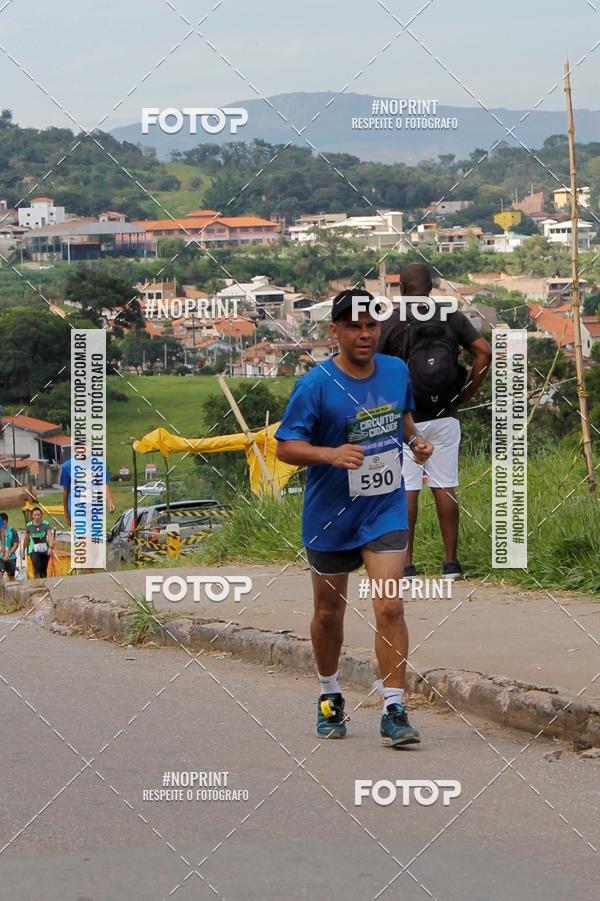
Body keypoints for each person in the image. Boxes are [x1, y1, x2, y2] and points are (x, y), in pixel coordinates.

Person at [276, 289, 433, 746]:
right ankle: (329, 696)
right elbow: (285, 446)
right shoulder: (315, 384)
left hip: (383, 508)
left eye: (371, 326)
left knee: (390, 604)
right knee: (329, 613)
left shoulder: (395, 370)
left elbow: (400, 418)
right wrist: (329, 453)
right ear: (335, 332)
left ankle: (394, 708)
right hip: (330, 515)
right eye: (354, 326)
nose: (365, 334)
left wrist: (416, 442)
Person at [378, 262, 492, 580]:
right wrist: (466, 392)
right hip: (446, 415)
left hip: (406, 419)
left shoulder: (392, 320)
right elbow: (483, 352)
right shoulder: (450, 315)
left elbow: (371, 365)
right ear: (431, 287)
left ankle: (406, 564)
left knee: (407, 488)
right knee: (445, 486)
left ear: (401, 288)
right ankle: (451, 564)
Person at [59, 455, 115, 528]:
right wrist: (66, 514)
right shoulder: (67, 466)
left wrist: (110, 501)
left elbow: (104, 484)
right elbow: (66, 491)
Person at [23, 506, 54, 579]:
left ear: (41, 516)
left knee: (43, 570)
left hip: (44, 549)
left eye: (38, 515)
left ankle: (43, 584)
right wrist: (23, 551)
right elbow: (26, 539)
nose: (37, 517)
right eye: (35, 515)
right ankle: (37, 583)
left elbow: (50, 536)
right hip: (33, 549)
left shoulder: (46, 524)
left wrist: (50, 547)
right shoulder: (29, 525)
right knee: (37, 565)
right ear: (32, 516)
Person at [0, 512, 20, 582]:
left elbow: (15, 545)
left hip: (11, 558)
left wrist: (9, 554)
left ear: (5, 521)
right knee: (1, 573)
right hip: (0, 558)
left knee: (11, 578)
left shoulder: (12, 531)